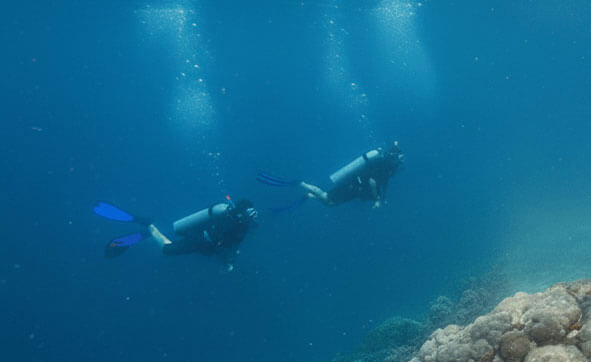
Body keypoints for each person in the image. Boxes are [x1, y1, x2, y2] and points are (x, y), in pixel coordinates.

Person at [95, 197, 260, 270]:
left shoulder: (239, 225)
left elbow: (227, 244)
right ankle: (148, 225)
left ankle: (148, 233)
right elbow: (224, 242)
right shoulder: (234, 222)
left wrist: (227, 259)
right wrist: (228, 261)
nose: (253, 219)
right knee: (167, 249)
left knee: (169, 234)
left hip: (199, 238)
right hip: (200, 241)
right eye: (251, 215)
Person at [257, 142, 404, 208]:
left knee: (330, 203)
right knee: (329, 200)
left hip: (353, 187)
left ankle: (310, 194)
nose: (400, 162)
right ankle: (302, 184)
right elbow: (372, 181)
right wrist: (377, 199)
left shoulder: (384, 165)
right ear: (395, 157)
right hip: (352, 186)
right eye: (400, 158)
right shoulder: (384, 166)